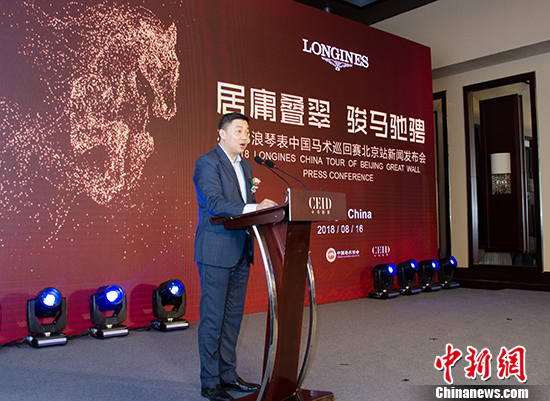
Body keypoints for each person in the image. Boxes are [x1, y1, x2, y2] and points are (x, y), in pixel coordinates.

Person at [193, 112, 277, 401]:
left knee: (232, 320)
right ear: (222, 133)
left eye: (248, 132)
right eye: (239, 130)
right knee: (213, 319)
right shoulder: (207, 163)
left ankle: (228, 375)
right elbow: (215, 204)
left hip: (241, 251)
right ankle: (209, 382)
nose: (245, 137)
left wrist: (259, 211)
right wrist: (254, 208)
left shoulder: (246, 166)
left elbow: (246, 206)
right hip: (216, 252)